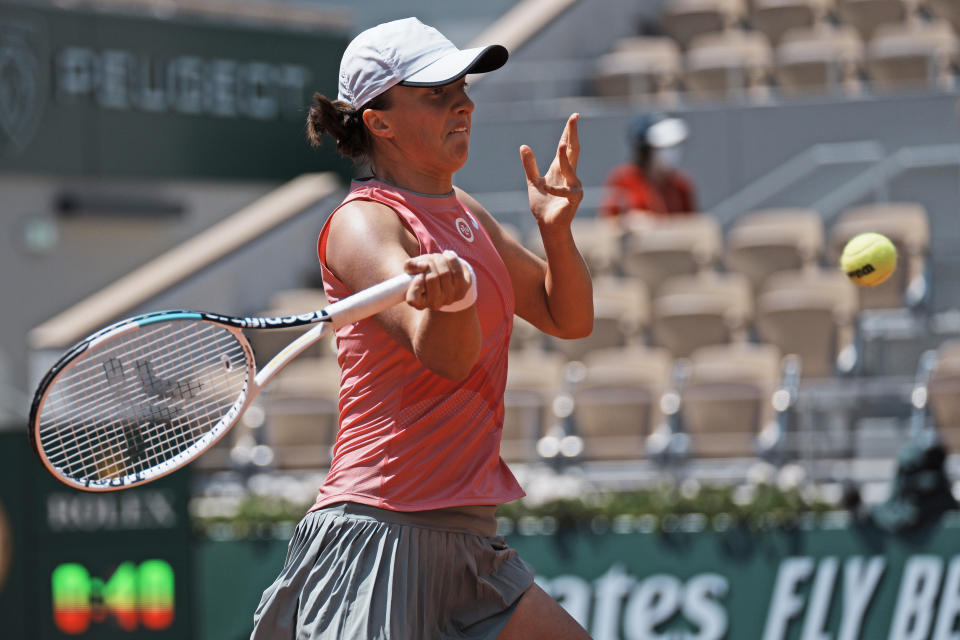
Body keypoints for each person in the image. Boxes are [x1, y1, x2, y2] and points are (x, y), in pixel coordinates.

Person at [250, 17, 594, 640]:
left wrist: (556, 231)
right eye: (435, 92)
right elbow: (446, 357)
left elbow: (566, 317)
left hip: (469, 541)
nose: (461, 102)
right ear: (378, 120)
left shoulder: (469, 217)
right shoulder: (363, 225)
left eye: (461, 87)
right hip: (379, 534)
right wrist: (452, 304)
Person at [598, 113, 698, 218]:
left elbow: (691, 223)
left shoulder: (681, 186)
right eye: (663, 148)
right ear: (646, 151)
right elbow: (607, 221)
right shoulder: (623, 180)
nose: (672, 152)